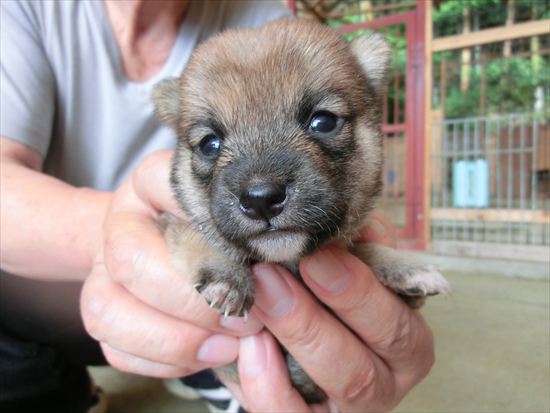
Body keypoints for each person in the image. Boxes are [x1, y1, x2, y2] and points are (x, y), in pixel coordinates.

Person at [0, 1, 436, 412]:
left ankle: (212, 365)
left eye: (322, 122)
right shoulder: (23, 9)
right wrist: (139, 236)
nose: (260, 188)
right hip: (28, 301)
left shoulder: (263, 15)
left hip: (226, 318)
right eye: (211, 144)